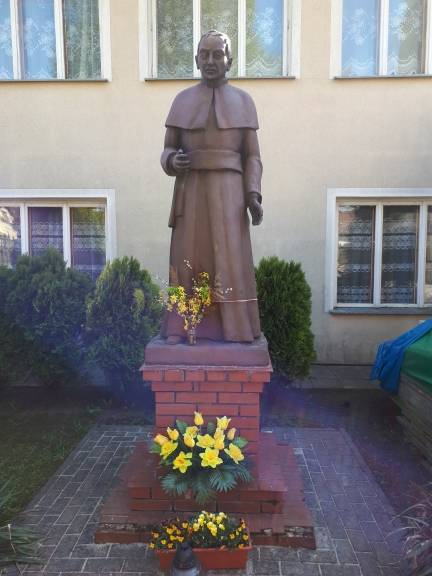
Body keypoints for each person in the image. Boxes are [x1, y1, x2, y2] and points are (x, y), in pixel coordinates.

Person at [160, 30, 263, 344]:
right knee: (187, 259)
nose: (210, 60)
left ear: (229, 61)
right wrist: (171, 161)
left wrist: (253, 194)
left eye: (217, 54)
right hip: (191, 191)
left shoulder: (244, 102)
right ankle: (180, 327)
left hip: (230, 194)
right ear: (196, 60)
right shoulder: (182, 101)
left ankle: (236, 329)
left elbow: (253, 157)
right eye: (204, 54)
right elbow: (167, 149)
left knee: (229, 260)